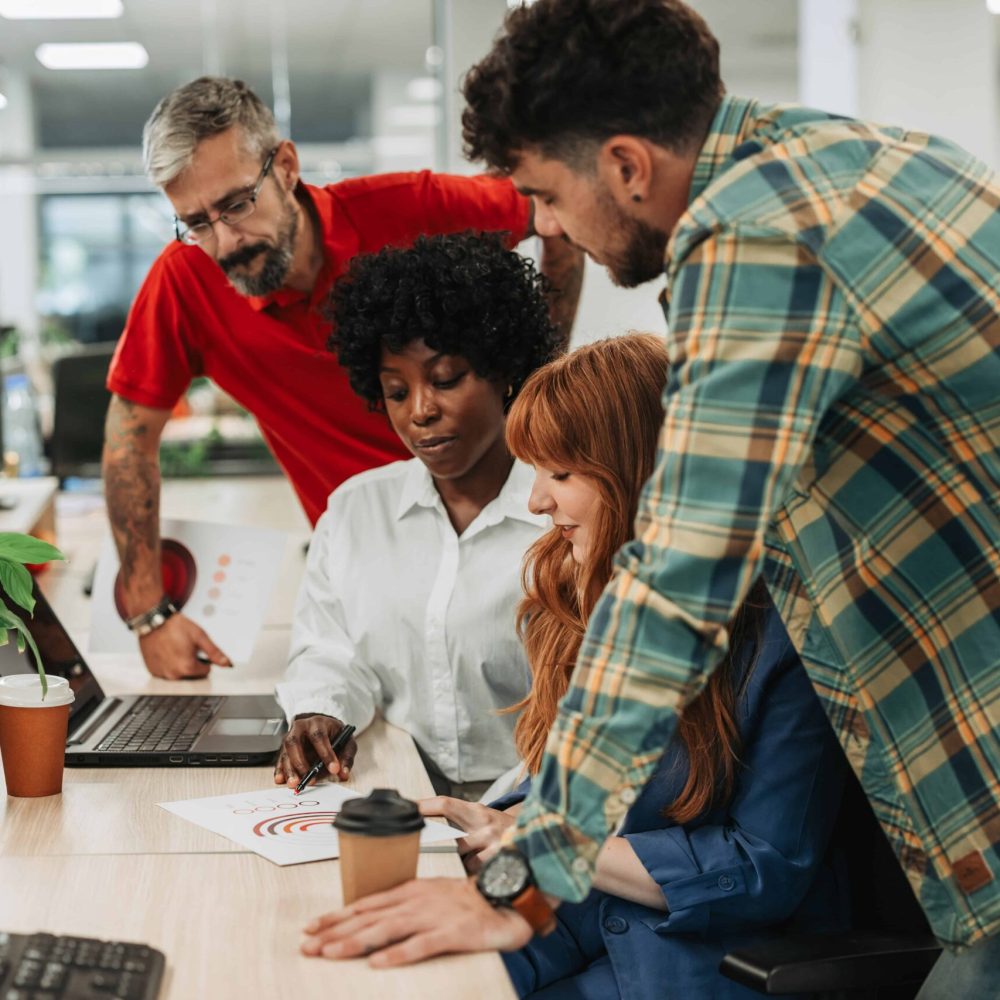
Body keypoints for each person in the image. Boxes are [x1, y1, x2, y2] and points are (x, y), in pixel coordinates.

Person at [291, 0, 1000, 989]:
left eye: (542, 194)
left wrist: (527, 872)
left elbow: (678, 574)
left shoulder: (756, 235)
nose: (542, 229)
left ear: (625, 165)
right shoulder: (863, 162)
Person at [302, 335, 850, 998]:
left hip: (688, 964)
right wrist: (504, 828)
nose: (535, 501)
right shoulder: (586, 602)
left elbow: (762, 870)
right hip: (574, 922)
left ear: (642, 473)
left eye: (560, 475)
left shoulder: (785, 639)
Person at [102, 76, 583, 682]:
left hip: (509, 548)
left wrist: (540, 383)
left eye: (235, 205)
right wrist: (149, 611)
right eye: (195, 222)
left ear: (286, 166)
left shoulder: (414, 207)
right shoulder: (185, 283)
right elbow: (128, 438)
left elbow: (553, 215)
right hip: (368, 565)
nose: (224, 243)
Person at [273, 232, 559, 798]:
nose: (421, 412)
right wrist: (321, 713)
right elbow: (330, 649)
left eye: (446, 379)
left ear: (504, 370)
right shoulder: (357, 509)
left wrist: (498, 818)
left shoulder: (566, 516)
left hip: (538, 806)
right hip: (396, 793)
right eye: (396, 391)